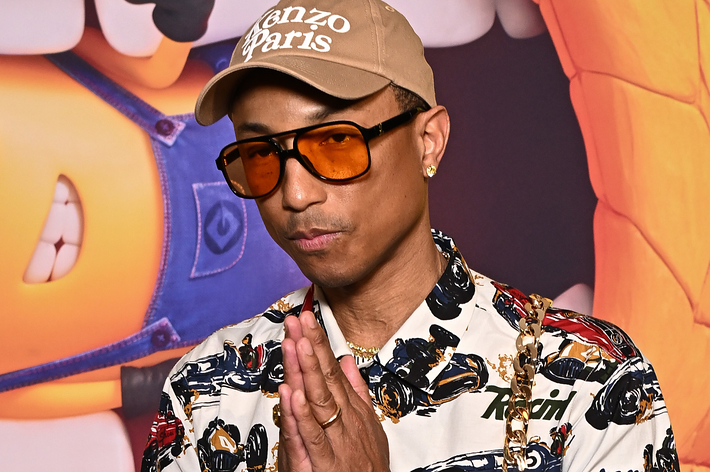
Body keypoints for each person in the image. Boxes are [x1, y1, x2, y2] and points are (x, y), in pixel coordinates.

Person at [141, 0, 678, 471]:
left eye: (334, 143)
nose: (295, 194)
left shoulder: (590, 379)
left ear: (429, 142)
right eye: (260, 156)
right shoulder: (208, 389)